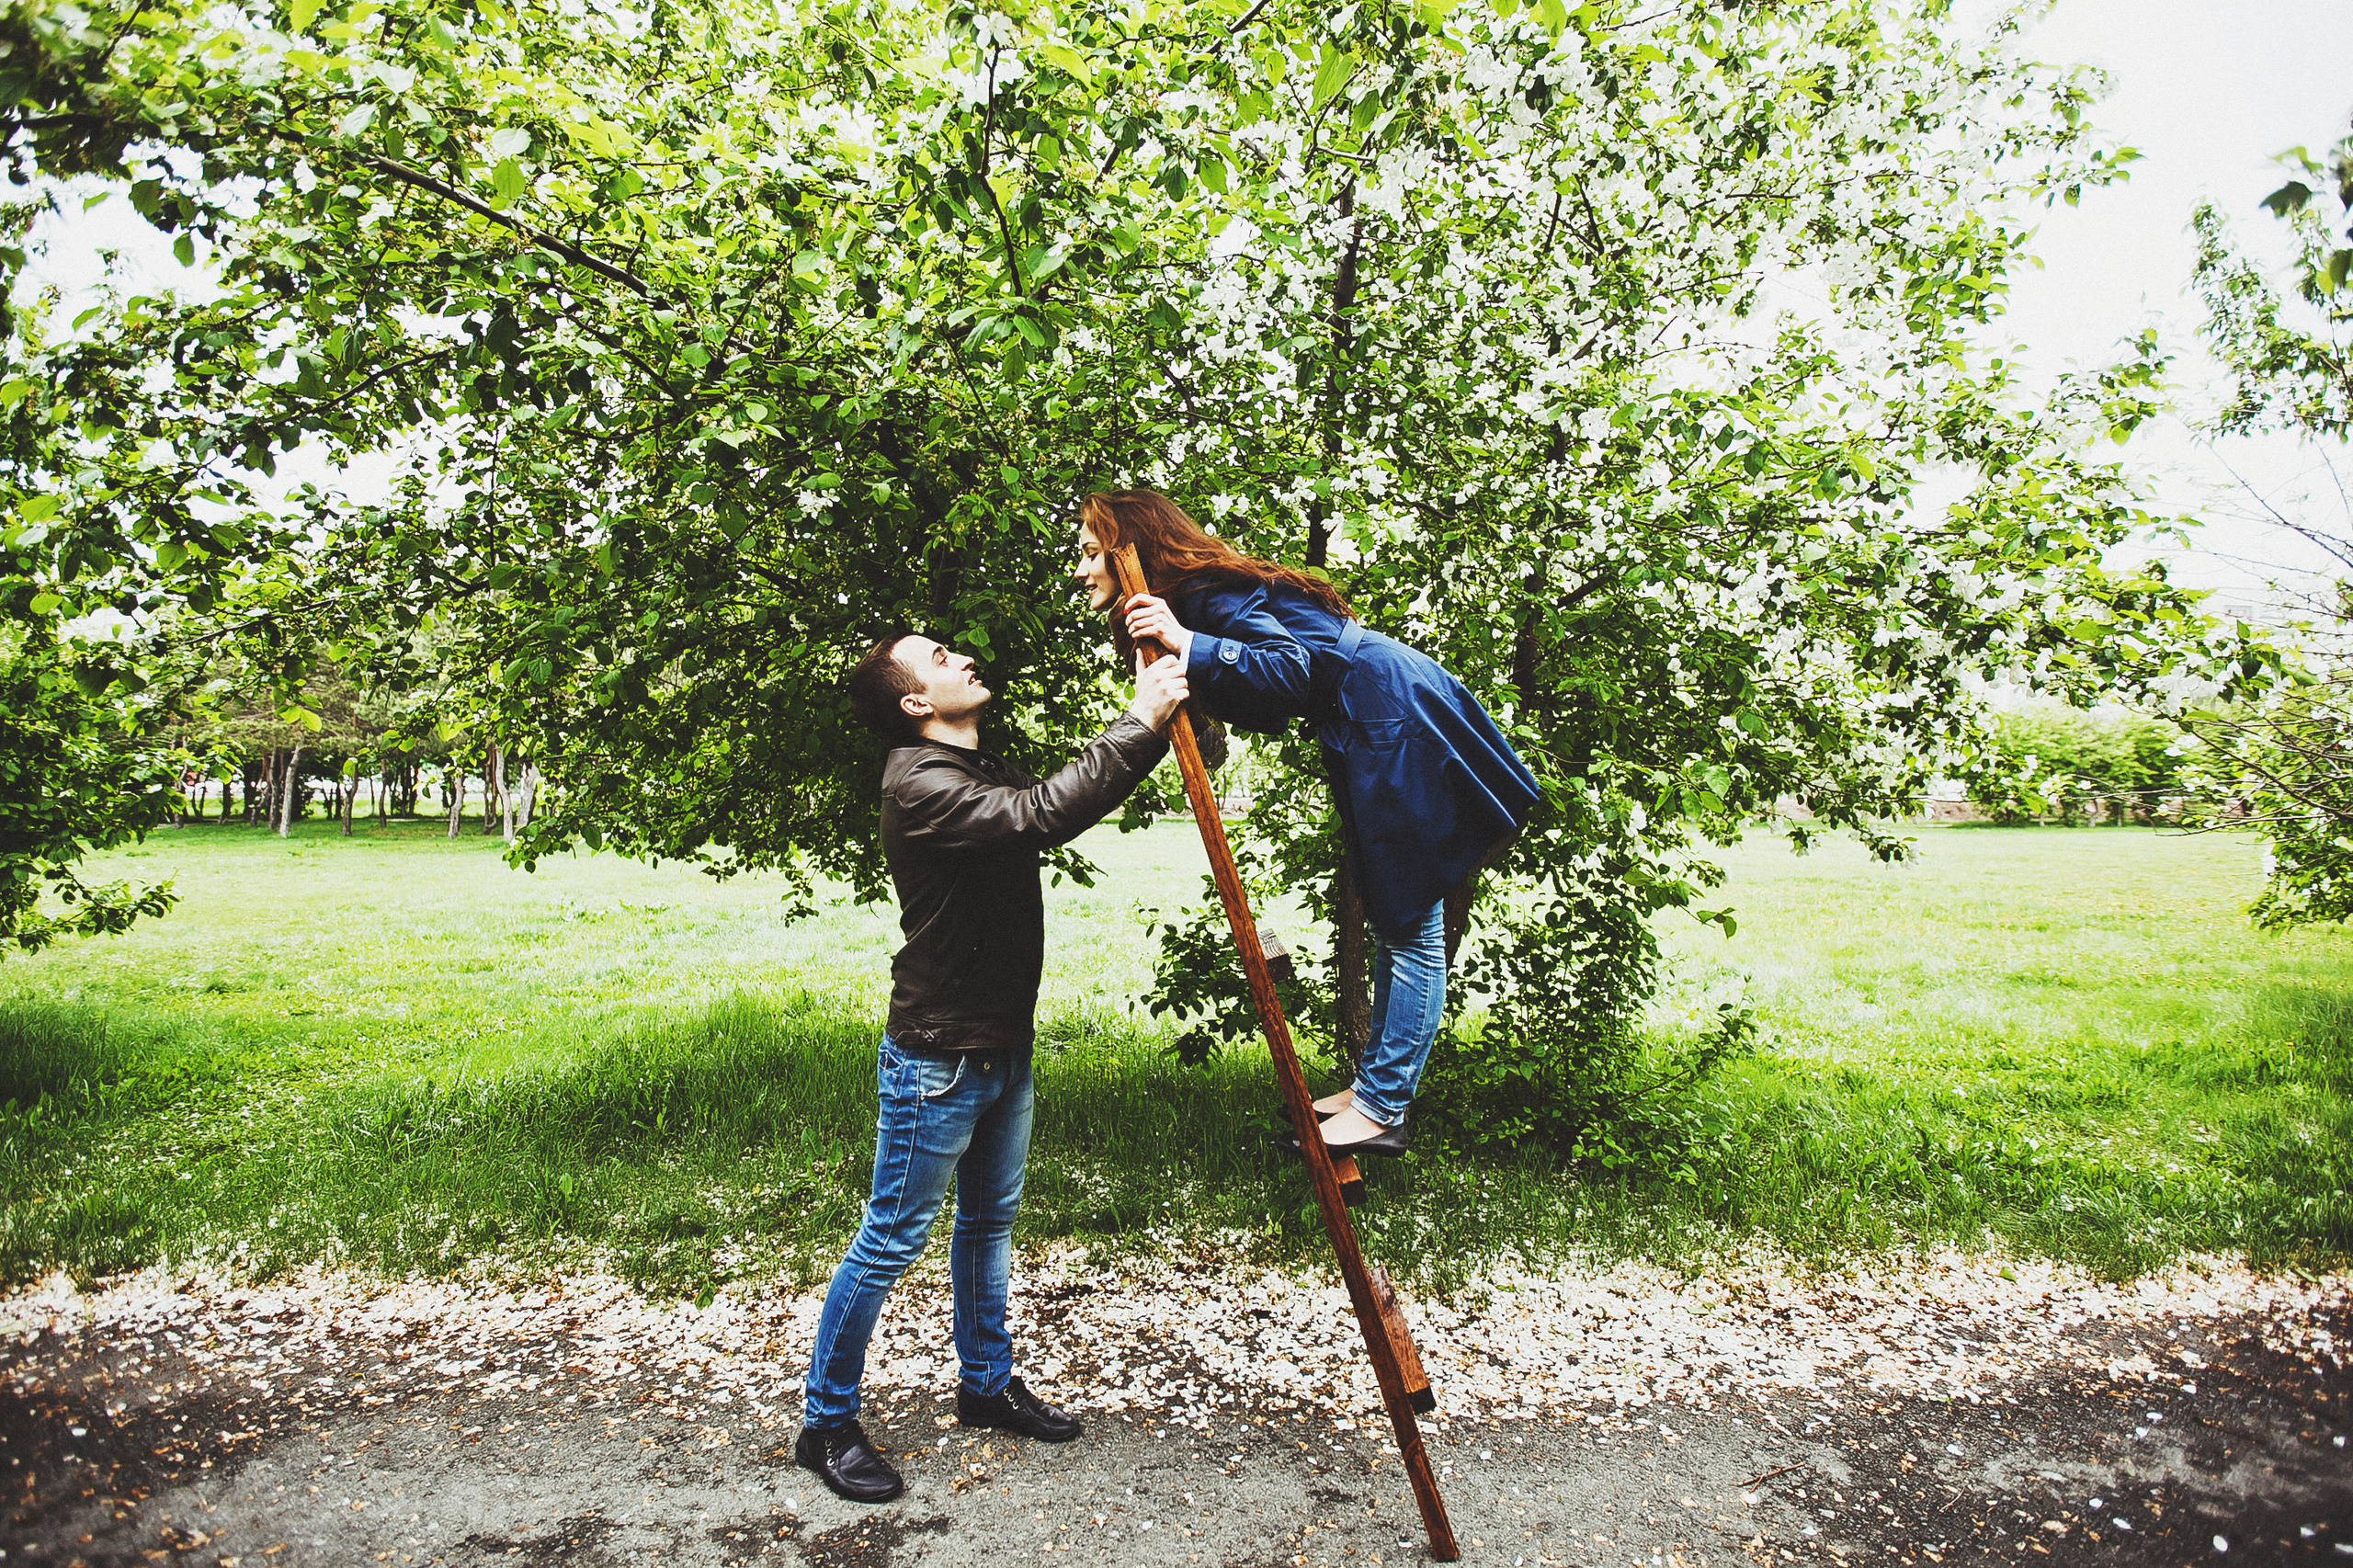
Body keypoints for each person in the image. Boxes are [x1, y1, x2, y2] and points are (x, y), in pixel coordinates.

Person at [796, 630, 1188, 1504]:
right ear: (914, 704)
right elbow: (1040, 815)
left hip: (1002, 1042)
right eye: (939, 659)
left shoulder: (974, 768)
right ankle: (825, 1425)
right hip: (937, 1057)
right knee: (891, 1239)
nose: (964, 658)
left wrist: (1152, 716)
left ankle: (985, 1385)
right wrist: (1138, 720)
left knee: (986, 1226)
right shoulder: (922, 783)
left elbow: (1057, 799)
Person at [1071, 489, 1540, 1157]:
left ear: (1131, 551)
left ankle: (1382, 1107)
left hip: (1386, 709)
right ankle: (1375, 1090)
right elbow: (1265, 693)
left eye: (1092, 553)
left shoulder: (1201, 594)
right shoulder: (1196, 598)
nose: (1083, 570)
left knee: (1411, 922)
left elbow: (1288, 672)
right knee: (1395, 910)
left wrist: (1187, 640)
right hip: (1370, 711)